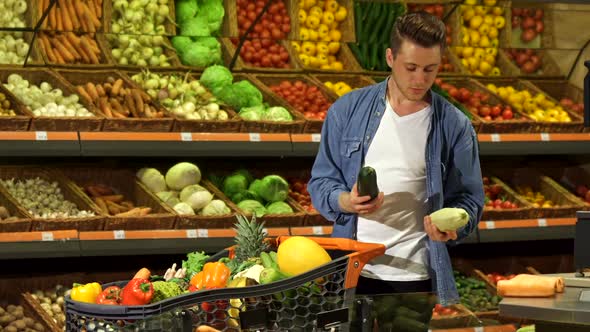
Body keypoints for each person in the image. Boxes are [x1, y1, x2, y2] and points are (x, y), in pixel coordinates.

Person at [307, 11, 484, 306]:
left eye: (430, 69)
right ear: (390, 58)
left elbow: (471, 199)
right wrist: (344, 201)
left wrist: (453, 226)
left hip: (414, 279)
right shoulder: (347, 110)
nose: (420, 79)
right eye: (411, 67)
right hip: (350, 272)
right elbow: (321, 181)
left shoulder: (455, 125)